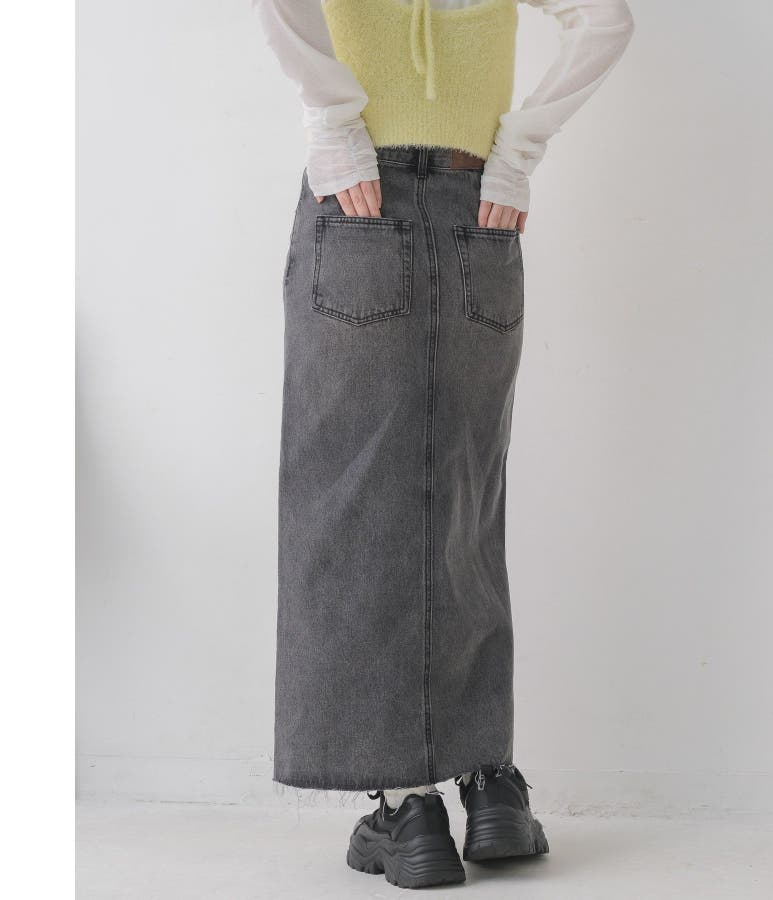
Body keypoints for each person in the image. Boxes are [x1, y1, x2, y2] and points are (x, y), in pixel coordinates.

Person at [253, 0, 634, 889]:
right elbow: (605, 19)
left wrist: (336, 125)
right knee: (464, 492)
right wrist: (519, 150)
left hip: (359, 194)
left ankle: (408, 805)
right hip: (480, 204)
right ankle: (491, 786)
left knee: (351, 499)